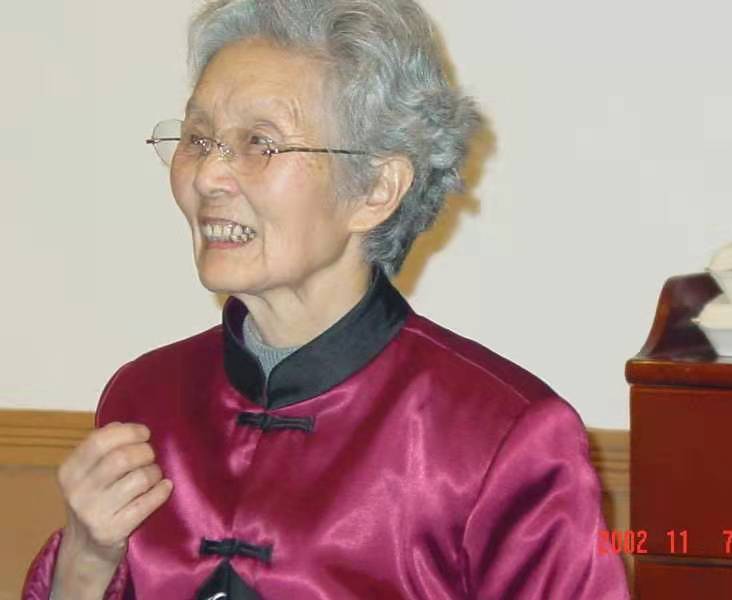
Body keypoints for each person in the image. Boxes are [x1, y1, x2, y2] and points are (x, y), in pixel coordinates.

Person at [23, 0, 629, 598]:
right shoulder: (145, 399)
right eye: (199, 139)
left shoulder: (502, 438)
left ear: (376, 189)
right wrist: (85, 561)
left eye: (260, 144)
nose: (207, 177)